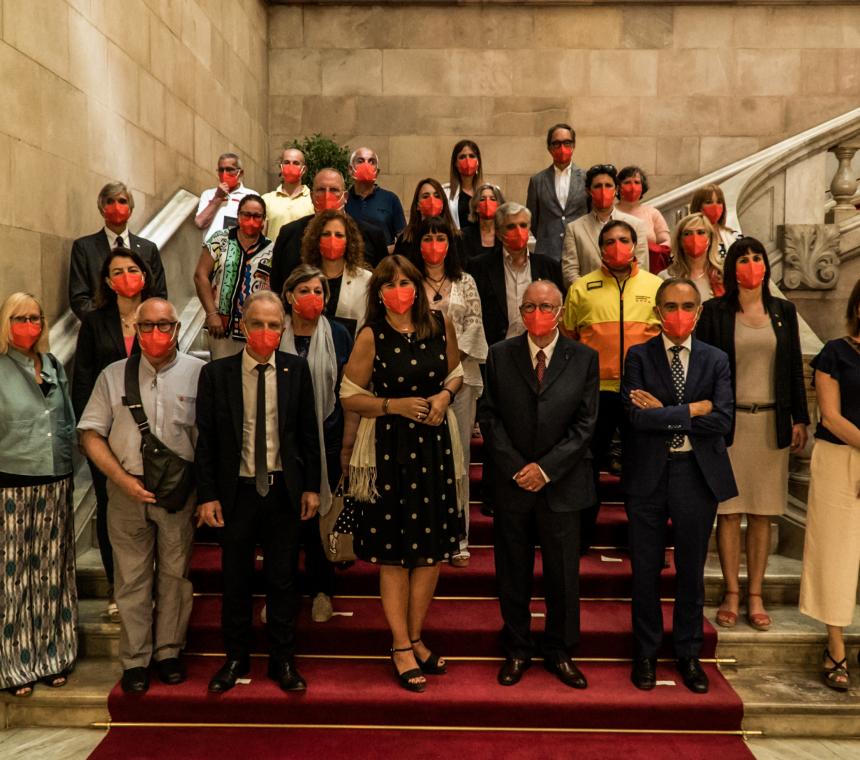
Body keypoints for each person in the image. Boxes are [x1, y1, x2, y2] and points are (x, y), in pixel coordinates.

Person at [340, 255, 464, 693]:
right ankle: (398, 644)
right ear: (378, 293)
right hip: (390, 450)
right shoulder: (371, 335)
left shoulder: (438, 323)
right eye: (389, 284)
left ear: (418, 285)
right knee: (395, 554)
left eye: (405, 282)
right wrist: (393, 405)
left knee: (429, 551)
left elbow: (455, 374)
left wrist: (446, 397)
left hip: (433, 447)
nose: (398, 289)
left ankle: (415, 636)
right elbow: (350, 395)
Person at [196, 291, 320, 694]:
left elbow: (306, 434)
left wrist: (312, 488)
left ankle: (283, 660)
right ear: (243, 327)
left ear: (282, 330)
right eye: (257, 324)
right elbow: (207, 442)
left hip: (283, 489)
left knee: (283, 579)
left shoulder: (296, 370)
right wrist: (208, 494)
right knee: (235, 579)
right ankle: (235, 658)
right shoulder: (218, 374)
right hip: (237, 492)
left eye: (273, 325)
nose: (265, 332)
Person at [78, 298, 204, 694]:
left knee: (174, 576)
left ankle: (168, 652)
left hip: (178, 494)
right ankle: (135, 659)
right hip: (127, 489)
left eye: (163, 326)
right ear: (135, 329)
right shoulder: (113, 376)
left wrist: (203, 494)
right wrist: (121, 479)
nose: (155, 334)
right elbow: (90, 435)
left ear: (177, 329)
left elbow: (210, 441)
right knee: (131, 578)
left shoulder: (200, 374)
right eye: (146, 326)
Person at [480, 280, 599, 689]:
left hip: (562, 485)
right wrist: (518, 468)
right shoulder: (499, 355)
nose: (537, 313)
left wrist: (545, 469)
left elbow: (586, 424)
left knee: (563, 574)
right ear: (520, 311)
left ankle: (560, 650)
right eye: (529, 306)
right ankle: (516, 647)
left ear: (561, 311)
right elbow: (489, 417)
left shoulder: (583, 358)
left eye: (545, 306)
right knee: (512, 571)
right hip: (512, 484)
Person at [623, 278, 737, 695]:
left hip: (696, 474)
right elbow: (635, 418)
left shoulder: (716, 359)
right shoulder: (638, 356)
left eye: (687, 305)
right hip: (648, 476)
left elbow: (722, 422)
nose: (679, 313)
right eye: (670, 305)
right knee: (646, 571)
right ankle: (646, 654)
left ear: (699, 311)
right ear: (657, 311)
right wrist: (692, 409)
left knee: (690, 571)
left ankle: (689, 653)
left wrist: (666, 413)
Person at [696, 238, 809, 632]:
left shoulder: (784, 311)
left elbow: (794, 367)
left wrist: (800, 417)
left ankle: (756, 594)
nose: (751, 264)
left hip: (770, 424)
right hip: (731, 425)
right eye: (743, 259)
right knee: (728, 513)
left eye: (756, 258)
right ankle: (731, 592)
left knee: (763, 514)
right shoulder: (714, 312)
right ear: (732, 269)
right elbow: (705, 371)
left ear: (765, 264)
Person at [562, 220, 662, 552]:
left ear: (635, 246)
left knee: (641, 468)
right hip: (595, 393)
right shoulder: (580, 288)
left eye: (623, 240)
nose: (616, 246)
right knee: (587, 464)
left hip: (641, 394)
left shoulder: (656, 286)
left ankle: (644, 541)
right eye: (608, 241)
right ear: (600, 247)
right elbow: (569, 341)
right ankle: (580, 539)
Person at [0, 293, 77, 698]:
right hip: (11, 480)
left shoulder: (51, 365)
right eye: (20, 318)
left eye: (35, 317)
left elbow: (66, 417)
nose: (29, 325)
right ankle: (15, 664)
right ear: (6, 322)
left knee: (53, 573)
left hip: (56, 478)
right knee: (14, 577)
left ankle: (53, 655)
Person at [72, 249, 153, 623]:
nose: (126, 276)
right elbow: (83, 377)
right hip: (108, 430)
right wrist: (90, 435)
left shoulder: (158, 315)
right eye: (117, 271)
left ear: (145, 274)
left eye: (132, 269)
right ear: (106, 281)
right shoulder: (94, 321)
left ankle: (148, 586)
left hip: (152, 433)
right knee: (109, 509)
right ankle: (116, 586)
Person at [410, 217, 488, 566]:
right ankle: (424, 535)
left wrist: (447, 375)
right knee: (420, 464)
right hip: (413, 384)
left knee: (457, 462)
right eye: (428, 238)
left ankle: (458, 537)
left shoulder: (465, 281)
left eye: (440, 238)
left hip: (460, 382)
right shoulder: (407, 280)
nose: (434, 244)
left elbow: (473, 328)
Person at [280, 265, 355, 622]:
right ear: (289, 297)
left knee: (321, 518)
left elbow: (348, 388)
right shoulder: (273, 330)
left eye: (320, 291)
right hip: (280, 440)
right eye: (306, 291)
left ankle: (322, 591)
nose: (314, 298)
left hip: (327, 434)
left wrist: (345, 444)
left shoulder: (339, 334)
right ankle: (284, 592)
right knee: (285, 520)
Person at [799, 278, 860, 691]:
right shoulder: (834, 353)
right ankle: (835, 646)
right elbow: (831, 417)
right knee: (835, 554)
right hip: (840, 458)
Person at [270, 168, 388, 295]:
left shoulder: (372, 235)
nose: (327, 196)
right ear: (311, 196)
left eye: (334, 190)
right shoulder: (289, 234)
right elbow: (277, 287)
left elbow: (382, 284)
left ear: (346, 197)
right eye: (321, 190)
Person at [470, 202, 564, 347]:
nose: (518, 231)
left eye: (523, 225)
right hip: (497, 350)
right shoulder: (479, 267)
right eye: (511, 227)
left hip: (541, 348)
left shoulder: (549, 267)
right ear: (500, 234)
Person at [69, 182, 167, 319]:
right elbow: (79, 299)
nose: (117, 206)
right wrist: (105, 325)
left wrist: (142, 322)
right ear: (102, 208)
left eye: (122, 201)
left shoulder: (148, 249)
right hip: (101, 331)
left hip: (141, 328)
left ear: (130, 209)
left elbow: (159, 294)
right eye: (110, 201)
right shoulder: (84, 248)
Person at [193, 194, 274, 360]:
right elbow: (201, 275)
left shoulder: (272, 249)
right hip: (221, 328)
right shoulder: (220, 240)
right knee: (223, 376)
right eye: (246, 214)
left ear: (264, 219)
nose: (251, 219)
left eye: (257, 216)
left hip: (256, 330)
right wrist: (211, 314)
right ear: (238, 216)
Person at [561, 164, 649, 288]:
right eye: (597, 186)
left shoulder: (636, 225)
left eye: (608, 185)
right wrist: (588, 293)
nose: (603, 191)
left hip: (627, 296)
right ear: (588, 191)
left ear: (616, 190)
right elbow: (570, 272)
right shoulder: (574, 229)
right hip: (589, 299)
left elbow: (642, 267)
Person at [300, 209, 372, 337]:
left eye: (339, 235)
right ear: (317, 239)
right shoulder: (302, 278)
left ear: (349, 241)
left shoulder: (366, 279)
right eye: (326, 234)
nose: (332, 240)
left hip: (352, 351)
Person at [526, 123, 587, 261]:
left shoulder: (586, 178)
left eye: (567, 142)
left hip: (579, 250)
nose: (562, 148)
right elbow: (532, 219)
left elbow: (589, 214)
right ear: (549, 148)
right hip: (547, 252)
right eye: (556, 144)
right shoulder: (537, 181)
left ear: (573, 146)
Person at [345, 147, 407, 252]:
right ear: (350, 170)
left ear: (377, 172)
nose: (366, 165)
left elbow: (404, 240)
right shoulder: (343, 199)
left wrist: (383, 251)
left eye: (371, 162)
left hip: (382, 264)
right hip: (350, 263)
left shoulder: (391, 199)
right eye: (360, 161)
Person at [615, 166, 671, 274]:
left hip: (648, 271)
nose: (632, 186)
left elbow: (666, 242)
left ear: (642, 187)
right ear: (618, 187)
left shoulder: (653, 213)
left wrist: (654, 253)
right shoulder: (610, 213)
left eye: (637, 182)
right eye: (627, 182)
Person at [660, 213, 725, 302]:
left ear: (710, 239)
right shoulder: (666, 277)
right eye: (687, 234)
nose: (694, 238)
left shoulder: (723, 274)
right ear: (680, 241)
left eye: (701, 232)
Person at [195, 152, 258, 242]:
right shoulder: (208, 194)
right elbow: (200, 223)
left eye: (229, 169)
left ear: (240, 173)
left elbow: (256, 229)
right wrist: (217, 198)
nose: (225, 174)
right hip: (210, 252)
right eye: (221, 170)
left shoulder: (251, 196)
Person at [394, 178, 461, 260]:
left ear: (443, 203)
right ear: (417, 205)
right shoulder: (405, 239)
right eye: (426, 196)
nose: (432, 200)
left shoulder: (456, 237)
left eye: (437, 196)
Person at [261, 148, 314, 242]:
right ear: (281, 167)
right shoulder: (266, 200)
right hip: (274, 256)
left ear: (304, 169)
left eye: (296, 163)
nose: (291, 166)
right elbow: (261, 237)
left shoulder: (313, 200)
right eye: (286, 162)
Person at [690, 184, 742, 260]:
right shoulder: (690, 238)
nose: (715, 206)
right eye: (709, 202)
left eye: (719, 202)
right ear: (698, 206)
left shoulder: (735, 236)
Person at [444, 140, 483, 232]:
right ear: (455, 164)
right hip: (457, 243)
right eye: (462, 157)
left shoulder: (489, 191)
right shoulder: (445, 192)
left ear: (478, 163)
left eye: (472, 156)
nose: (467, 160)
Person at [461, 183, 505, 261]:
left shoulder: (505, 234)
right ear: (476, 207)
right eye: (482, 199)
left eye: (493, 199)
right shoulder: (464, 235)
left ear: (499, 206)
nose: (487, 202)